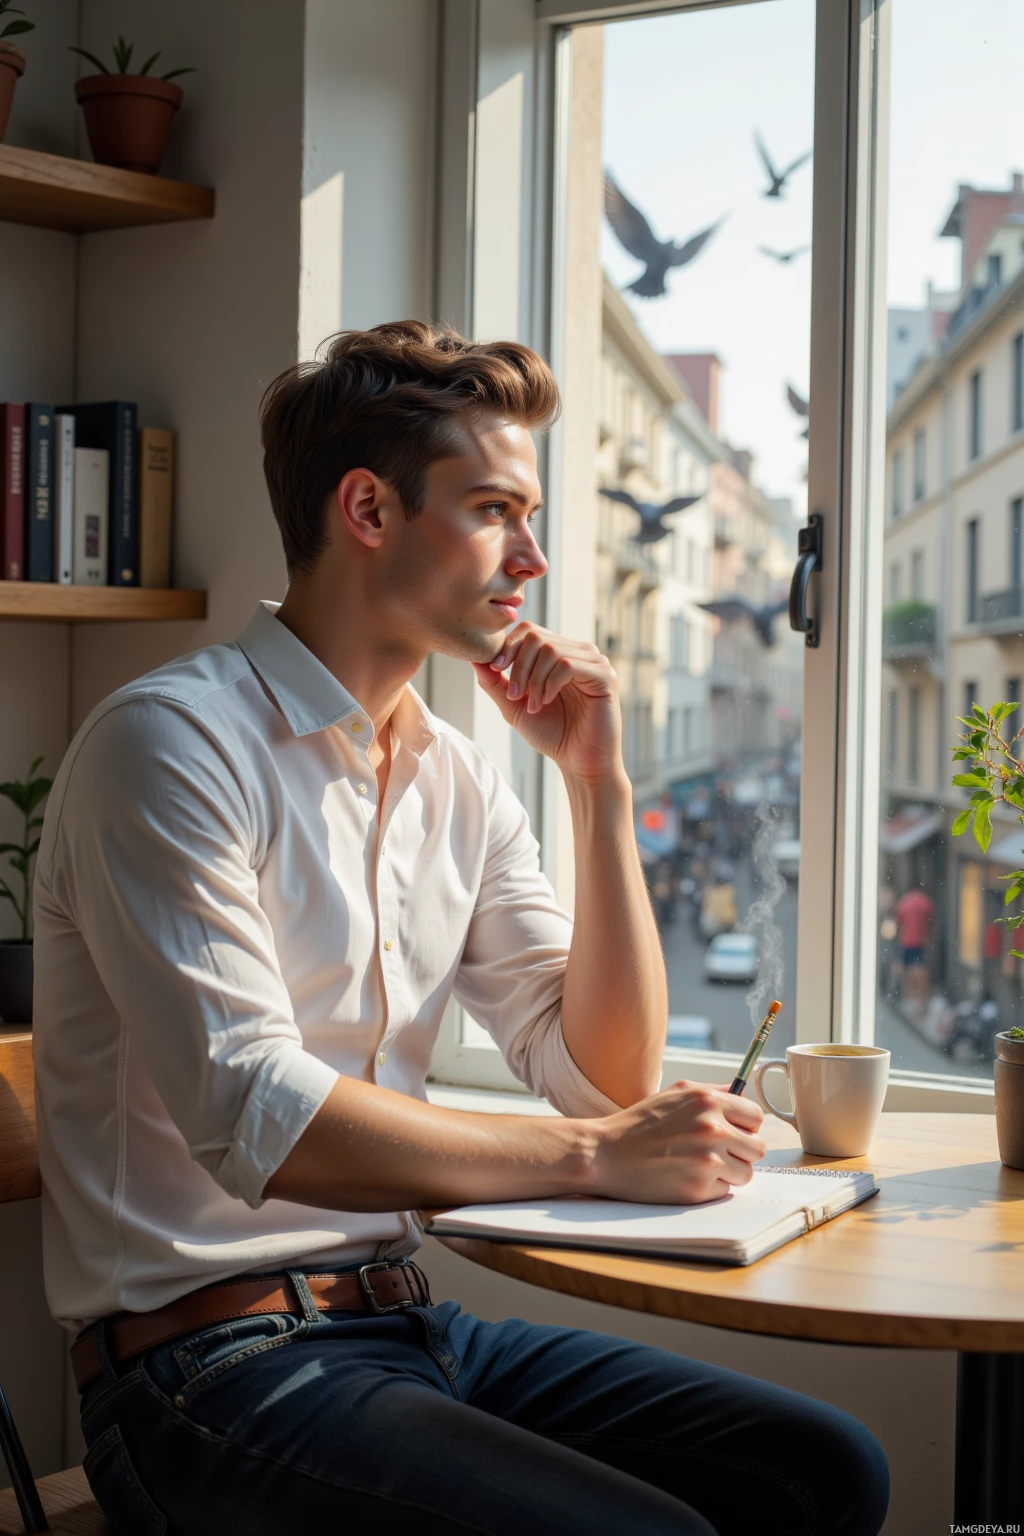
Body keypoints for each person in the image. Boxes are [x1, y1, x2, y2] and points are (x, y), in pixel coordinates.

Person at [32, 322, 888, 1536]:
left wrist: (599, 790)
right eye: (496, 510)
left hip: (407, 1325)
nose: (531, 559)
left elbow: (600, 1075)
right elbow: (257, 1114)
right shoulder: (168, 744)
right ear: (369, 509)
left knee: (828, 1467)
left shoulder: (459, 778)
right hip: (203, 1374)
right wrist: (598, 1158)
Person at [895, 883, 935, 1014]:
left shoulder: (904, 901)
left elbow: (899, 921)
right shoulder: (924, 901)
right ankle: (920, 1000)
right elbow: (929, 920)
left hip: (906, 941)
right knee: (919, 970)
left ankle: (909, 999)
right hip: (919, 941)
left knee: (907, 970)